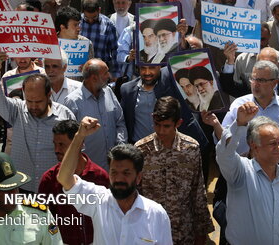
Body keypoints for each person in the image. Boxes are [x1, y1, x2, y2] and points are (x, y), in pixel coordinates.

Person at [57, 117, 173, 245]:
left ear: (139, 177)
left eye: (126, 173)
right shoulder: (98, 201)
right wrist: (79, 136)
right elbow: (64, 178)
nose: (118, 179)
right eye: (114, 172)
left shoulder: (157, 214)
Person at [0, 46, 76, 192]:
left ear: (49, 95)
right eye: (29, 101)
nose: (33, 106)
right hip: (22, 187)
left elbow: (75, 153)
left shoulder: (65, 116)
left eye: (38, 101)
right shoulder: (17, 110)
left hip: (53, 189)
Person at [215, 103, 279, 244]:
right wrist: (240, 123)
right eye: (272, 143)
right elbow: (224, 153)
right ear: (254, 147)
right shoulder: (240, 171)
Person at [135, 96, 213, 245]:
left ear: (178, 123)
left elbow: (198, 191)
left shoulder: (191, 148)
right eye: (157, 125)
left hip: (183, 232)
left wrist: (201, 231)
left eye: (166, 126)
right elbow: (136, 193)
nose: (161, 131)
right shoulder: (141, 150)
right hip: (151, 231)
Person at [38, 120, 109, 245]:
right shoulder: (49, 179)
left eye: (61, 144)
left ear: (79, 144)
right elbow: (42, 218)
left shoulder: (100, 176)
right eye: (55, 144)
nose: (56, 149)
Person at [62, 59, 127, 170]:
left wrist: (121, 147)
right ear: (94, 78)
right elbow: (68, 139)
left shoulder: (109, 92)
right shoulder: (72, 102)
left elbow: (120, 122)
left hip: (113, 168)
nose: (109, 76)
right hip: (88, 171)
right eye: (105, 72)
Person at [221, 60, 279, 154]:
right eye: (253, 79)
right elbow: (222, 138)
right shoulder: (239, 105)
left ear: (275, 83)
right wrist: (240, 123)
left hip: (274, 166)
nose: (255, 84)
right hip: (241, 165)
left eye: (261, 80)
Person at [120, 65, 206, 146]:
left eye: (152, 68)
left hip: (175, 150)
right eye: (143, 68)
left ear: (160, 66)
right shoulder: (127, 90)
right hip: (142, 151)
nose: (147, 72)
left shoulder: (169, 77)